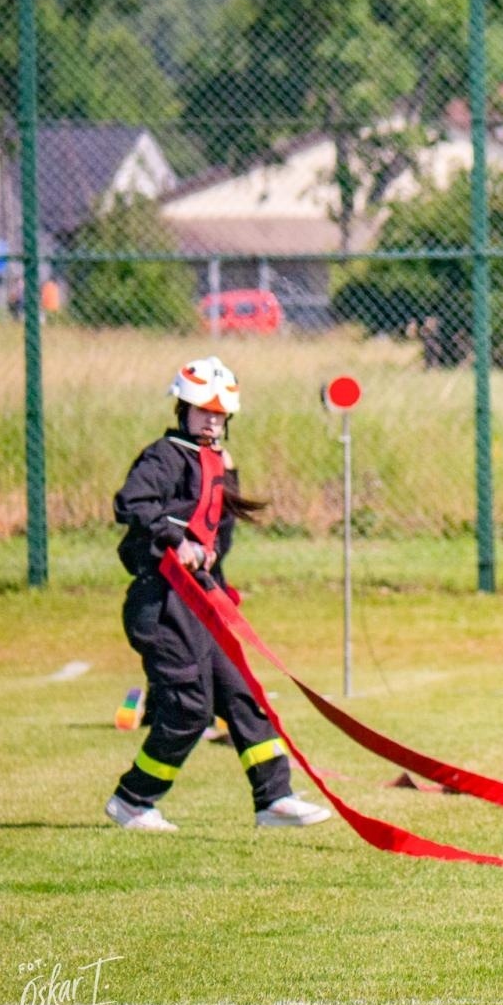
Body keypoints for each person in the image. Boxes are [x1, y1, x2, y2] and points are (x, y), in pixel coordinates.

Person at [104, 356, 330, 833]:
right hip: (162, 606)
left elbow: (216, 540)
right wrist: (175, 539)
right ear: (183, 409)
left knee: (243, 696)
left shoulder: (217, 465)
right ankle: (133, 800)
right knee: (189, 708)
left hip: (201, 605)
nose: (212, 420)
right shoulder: (164, 456)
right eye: (203, 411)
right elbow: (132, 503)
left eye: (220, 413)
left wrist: (217, 583)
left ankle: (274, 799)